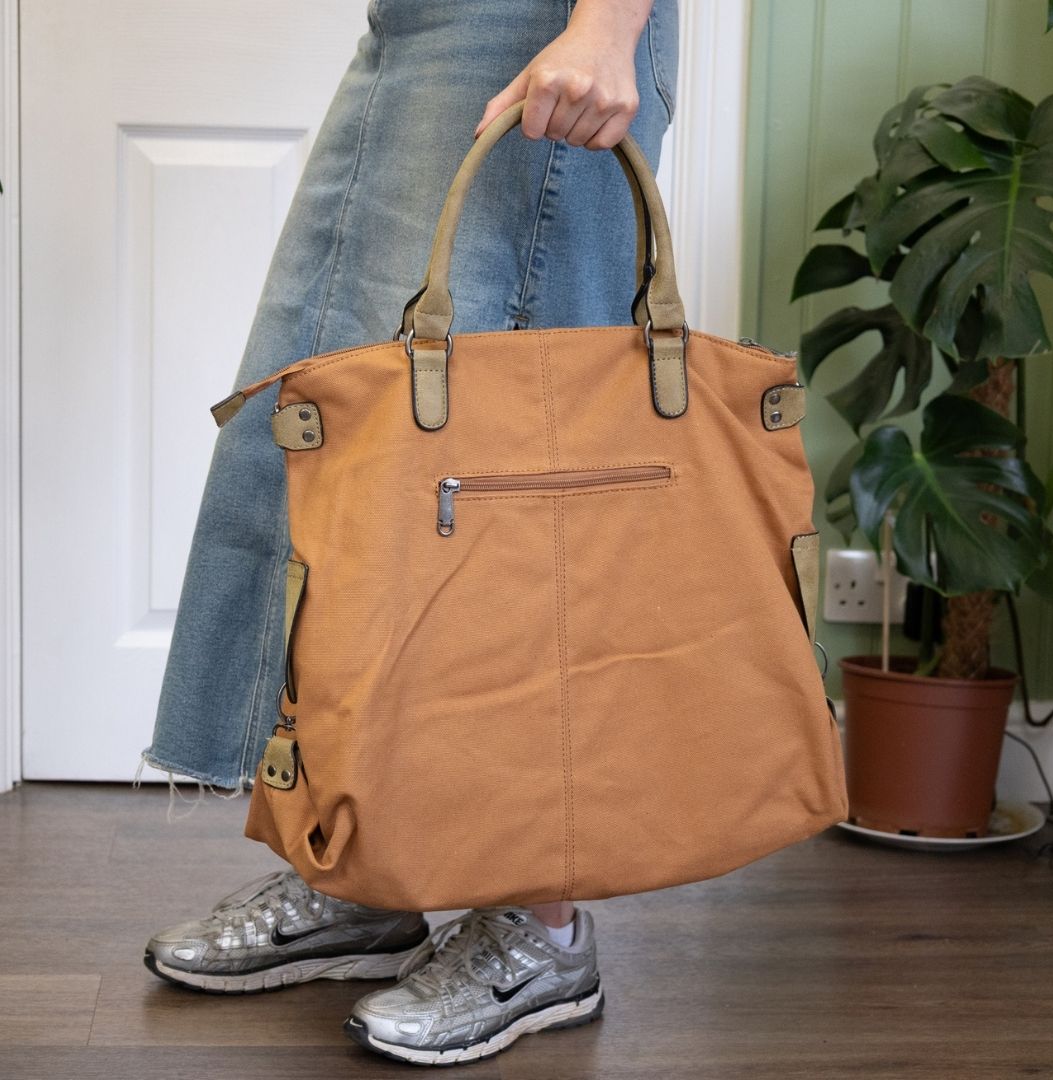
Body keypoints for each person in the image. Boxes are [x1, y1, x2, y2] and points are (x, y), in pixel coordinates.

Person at [141, 0, 678, 1066]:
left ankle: (542, 926)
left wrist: (608, 26)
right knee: (337, 439)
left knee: (507, 488)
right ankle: (365, 866)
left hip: (540, 23)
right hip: (412, 28)